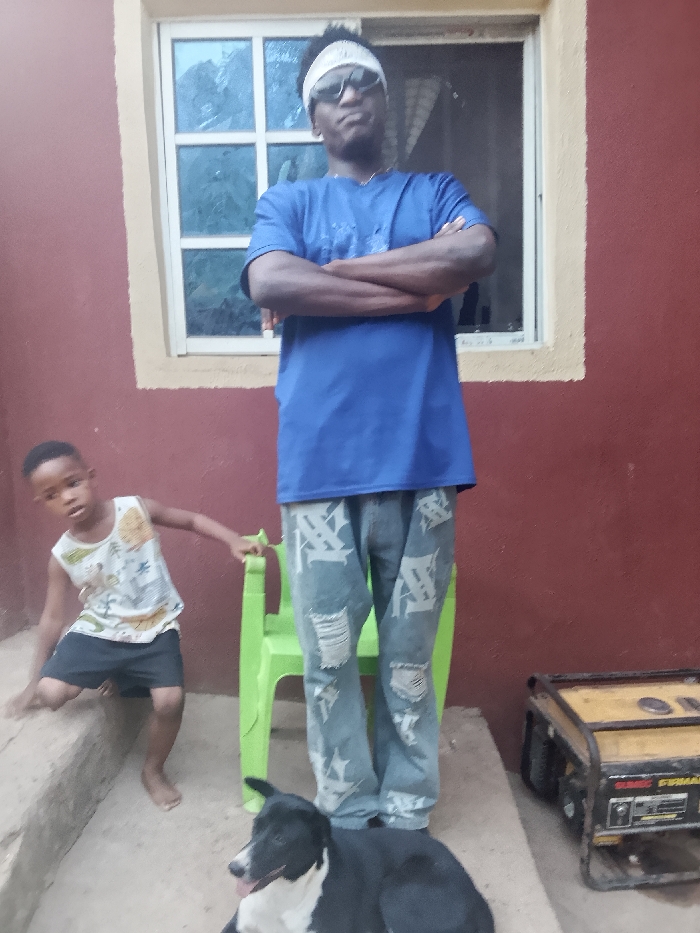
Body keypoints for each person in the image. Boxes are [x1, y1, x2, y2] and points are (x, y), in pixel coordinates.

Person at [241, 26, 496, 831]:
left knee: (409, 660)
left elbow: (474, 253)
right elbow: (270, 280)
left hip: (424, 460)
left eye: (363, 80)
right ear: (313, 116)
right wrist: (414, 285)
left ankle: (409, 810)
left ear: (384, 97)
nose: (349, 94)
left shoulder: (434, 192)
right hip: (320, 469)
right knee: (327, 661)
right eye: (330, 88)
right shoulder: (288, 203)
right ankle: (349, 815)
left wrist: (331, 276)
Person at [6, 440, 263, 810]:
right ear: (42, 503)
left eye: (73, 483)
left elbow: (190, 520)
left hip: (154, 628)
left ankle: (153, 770)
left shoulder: (135, 509)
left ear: (91, 477)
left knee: (169, 701)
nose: (67, 497)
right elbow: (51, 618)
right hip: (99, 632)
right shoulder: (62, 556)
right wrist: (33, 681)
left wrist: (232, 539)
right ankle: (110, 672)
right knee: (52, 696)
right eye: (52, 495)